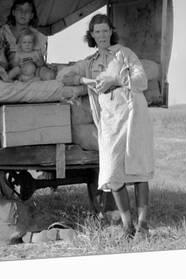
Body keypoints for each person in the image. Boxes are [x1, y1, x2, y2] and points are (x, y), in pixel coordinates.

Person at [62, 14, 154, 240]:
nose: (102, 35)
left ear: (111, 32)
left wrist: (116, 81)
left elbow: (142, 80)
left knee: (138, 166)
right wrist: (85, 81)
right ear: (91, 35)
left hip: (133, 113)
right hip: (110, 119)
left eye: (105, 31)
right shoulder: (90, 62)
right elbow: (64, 76)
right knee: (112, 171)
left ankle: (142, 225)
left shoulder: (124, 53)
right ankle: (127, 225)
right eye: (97, 32)